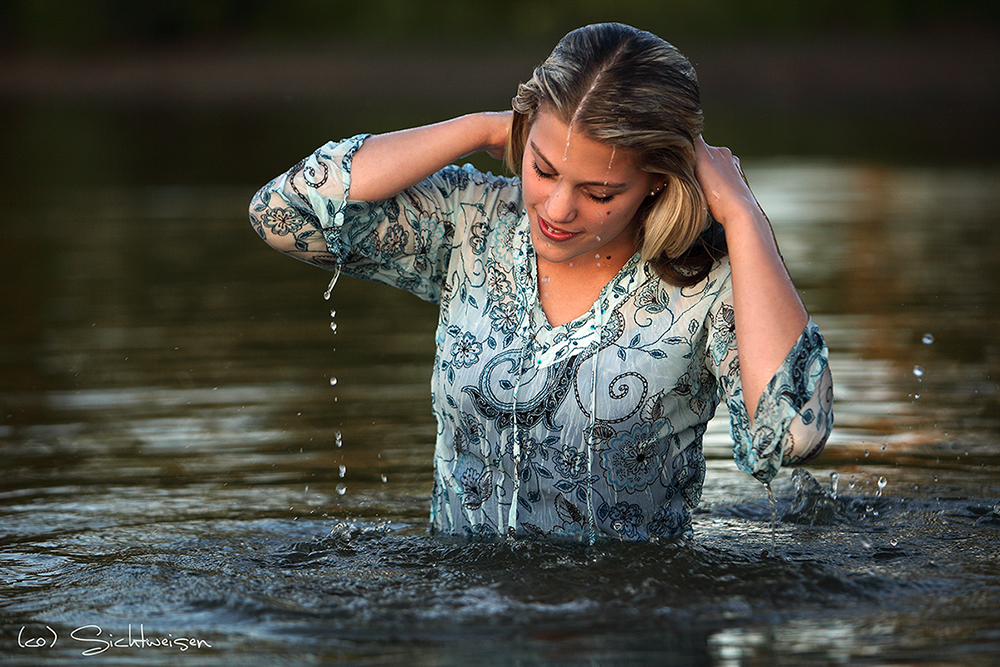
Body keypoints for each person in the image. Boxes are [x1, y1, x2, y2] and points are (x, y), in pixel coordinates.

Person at [249, 22, 833, 543]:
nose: (556, 208)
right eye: (542, 168)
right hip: (466, 619)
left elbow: (794, 436)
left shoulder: (706, 285)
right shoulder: (471, 221)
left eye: (599, 192)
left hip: (633, 624)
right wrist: (479, 128)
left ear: (657, 182)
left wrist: (741, 214)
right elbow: (282, 214)